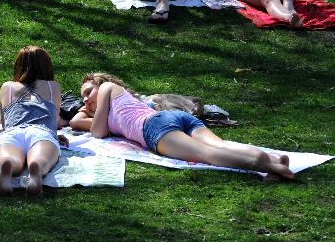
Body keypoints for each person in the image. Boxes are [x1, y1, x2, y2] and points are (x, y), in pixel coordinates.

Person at [78, 72, 295, 182]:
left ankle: (270, 167)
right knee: (222, 146)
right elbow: (77, 123)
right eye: (83, 99)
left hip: (155, 127)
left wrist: (91, 110)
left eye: (88, 92)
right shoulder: (113, 111)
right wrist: (87, 110)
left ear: (99, 82)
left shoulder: (107, 86)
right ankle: (274, 160)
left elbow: (97, 132)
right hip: (174, 117)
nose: (85, 100)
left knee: (210, 154)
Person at [0, 46, 62, 196]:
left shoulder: (7, 87)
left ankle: (8, 165)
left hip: (12, 133)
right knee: (41, 158)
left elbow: (5, 125)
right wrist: (56, 136)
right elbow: (54, 121)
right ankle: (36, 168)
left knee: (8, 157)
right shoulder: (53, 87)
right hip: (42, 132)